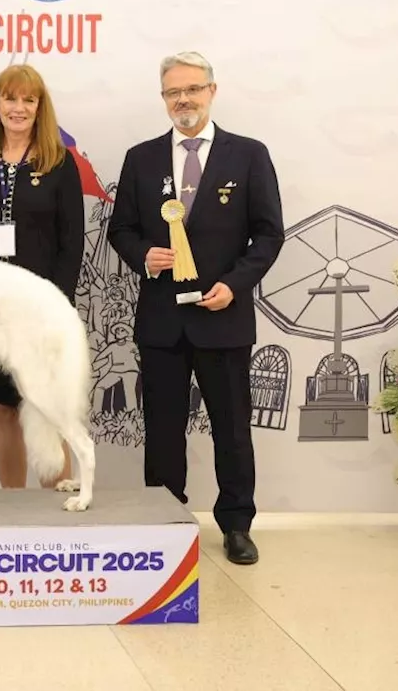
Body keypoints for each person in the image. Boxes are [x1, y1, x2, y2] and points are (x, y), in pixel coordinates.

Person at [107, 51, 283, 565]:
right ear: (163, 99)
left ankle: (236, 525)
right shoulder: (141, 158)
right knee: (162, 428)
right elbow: (121, 229)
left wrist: (236, 284)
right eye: (172, 93)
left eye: (192, 90)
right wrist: (143, 255)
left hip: (223, 316)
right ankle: (163, 520)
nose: (183, 100)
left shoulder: (248, 154)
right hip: (161, 319)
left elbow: (269, 233)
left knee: (231, 428)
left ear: (212, 90)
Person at [0, 64, 85, 489]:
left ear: (40, 107)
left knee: (45, 410)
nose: (19, 107)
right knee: (3, 411)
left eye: (29, 99)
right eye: (10, 98)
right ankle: (13, 507)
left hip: (40, 313)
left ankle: (55, 505)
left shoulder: (61, 164)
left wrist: (54, 307)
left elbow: (72, 243)